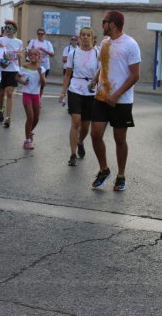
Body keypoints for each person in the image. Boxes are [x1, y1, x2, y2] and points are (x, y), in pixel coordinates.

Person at [89, 11, 140, 191]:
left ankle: (121, 175)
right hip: (102, 97)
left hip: (122, 101)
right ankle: (104, 169)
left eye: (104, 22)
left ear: (113, 24)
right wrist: (95, 80)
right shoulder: (104, 43)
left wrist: (116, 94)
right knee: (95, 134)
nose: (102, 24)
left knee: (120, 139)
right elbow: (103, 66)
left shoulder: (131, 45)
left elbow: (135, 75)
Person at [60, 27, 99, 166]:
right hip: (75, 88)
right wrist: (64, 91)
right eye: (83, 35)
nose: (85, 37)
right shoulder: (73, 53)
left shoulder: (97, 53)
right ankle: (72, 154)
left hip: (91, 91)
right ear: (79, 37)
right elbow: (68, 74)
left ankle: (80, 141)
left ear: (92, 37)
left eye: (88, 35)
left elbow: (102, 72)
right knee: (76, 121)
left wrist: (97, 83)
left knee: (85, 126)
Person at [17, 48, 46, 149]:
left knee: (36, 118)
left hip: (36, 95)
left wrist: (40, 74)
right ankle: (27, 140)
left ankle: (29, 132)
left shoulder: (41, 69)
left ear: (39, 56)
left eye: (35, 54)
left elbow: (43, 84)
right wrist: (22, 82)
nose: (33, 56)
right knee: (30, 117)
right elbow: (17, 77)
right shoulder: (24, 66)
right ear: (28, 56)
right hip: (27, 94)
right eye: (31, 54)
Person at [0, 20, 23, 128]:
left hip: (13, 70)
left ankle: (8, 118)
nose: (7, 29)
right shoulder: (0, 40)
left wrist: (20, 67)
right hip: (2, 70)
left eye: (9, 28)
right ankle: (1, 109)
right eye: (6, 27)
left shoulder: (19, 42)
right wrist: (3, 56)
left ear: (15, 30)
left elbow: (19, 55)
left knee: (10, 94)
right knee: (1, 94)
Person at [27, 28, 54, 97]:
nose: (40, 35)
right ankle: (33, 97)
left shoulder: (48, 43)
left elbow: (52, 54)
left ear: (44, 35)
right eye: (39, 34)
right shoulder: (33, 42)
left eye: (42, 34)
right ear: (37, 34)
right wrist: (34, 51)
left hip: (45, 66)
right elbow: (28, 52)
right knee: (33, 82)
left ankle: (38, 99)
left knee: (42, 84)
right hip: (34, 66)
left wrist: (44, 50)